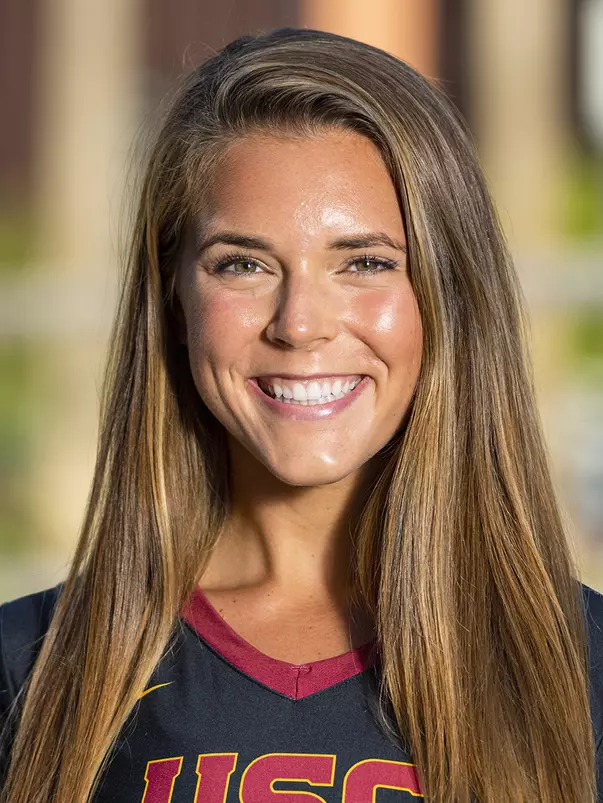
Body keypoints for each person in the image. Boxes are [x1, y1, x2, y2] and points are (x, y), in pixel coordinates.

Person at [0, 27, 602, 803]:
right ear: (175, 298)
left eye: (365, 263)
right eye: (243, 264)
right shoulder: (32, 671)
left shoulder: (579, 667)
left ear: (448, 296)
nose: (300, 322)